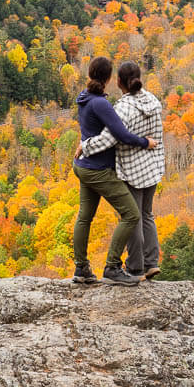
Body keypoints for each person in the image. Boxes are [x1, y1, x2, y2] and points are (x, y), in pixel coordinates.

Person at [72, 56, 159, 286]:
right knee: (132, 215)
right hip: (99, 169)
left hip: (83, 166)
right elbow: (120, 135)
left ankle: (81, 268)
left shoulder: (86, 97)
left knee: (84, 217)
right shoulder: (102, 104)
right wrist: (144, 143)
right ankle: (112, 267)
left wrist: (85, 145)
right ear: (110, 78)